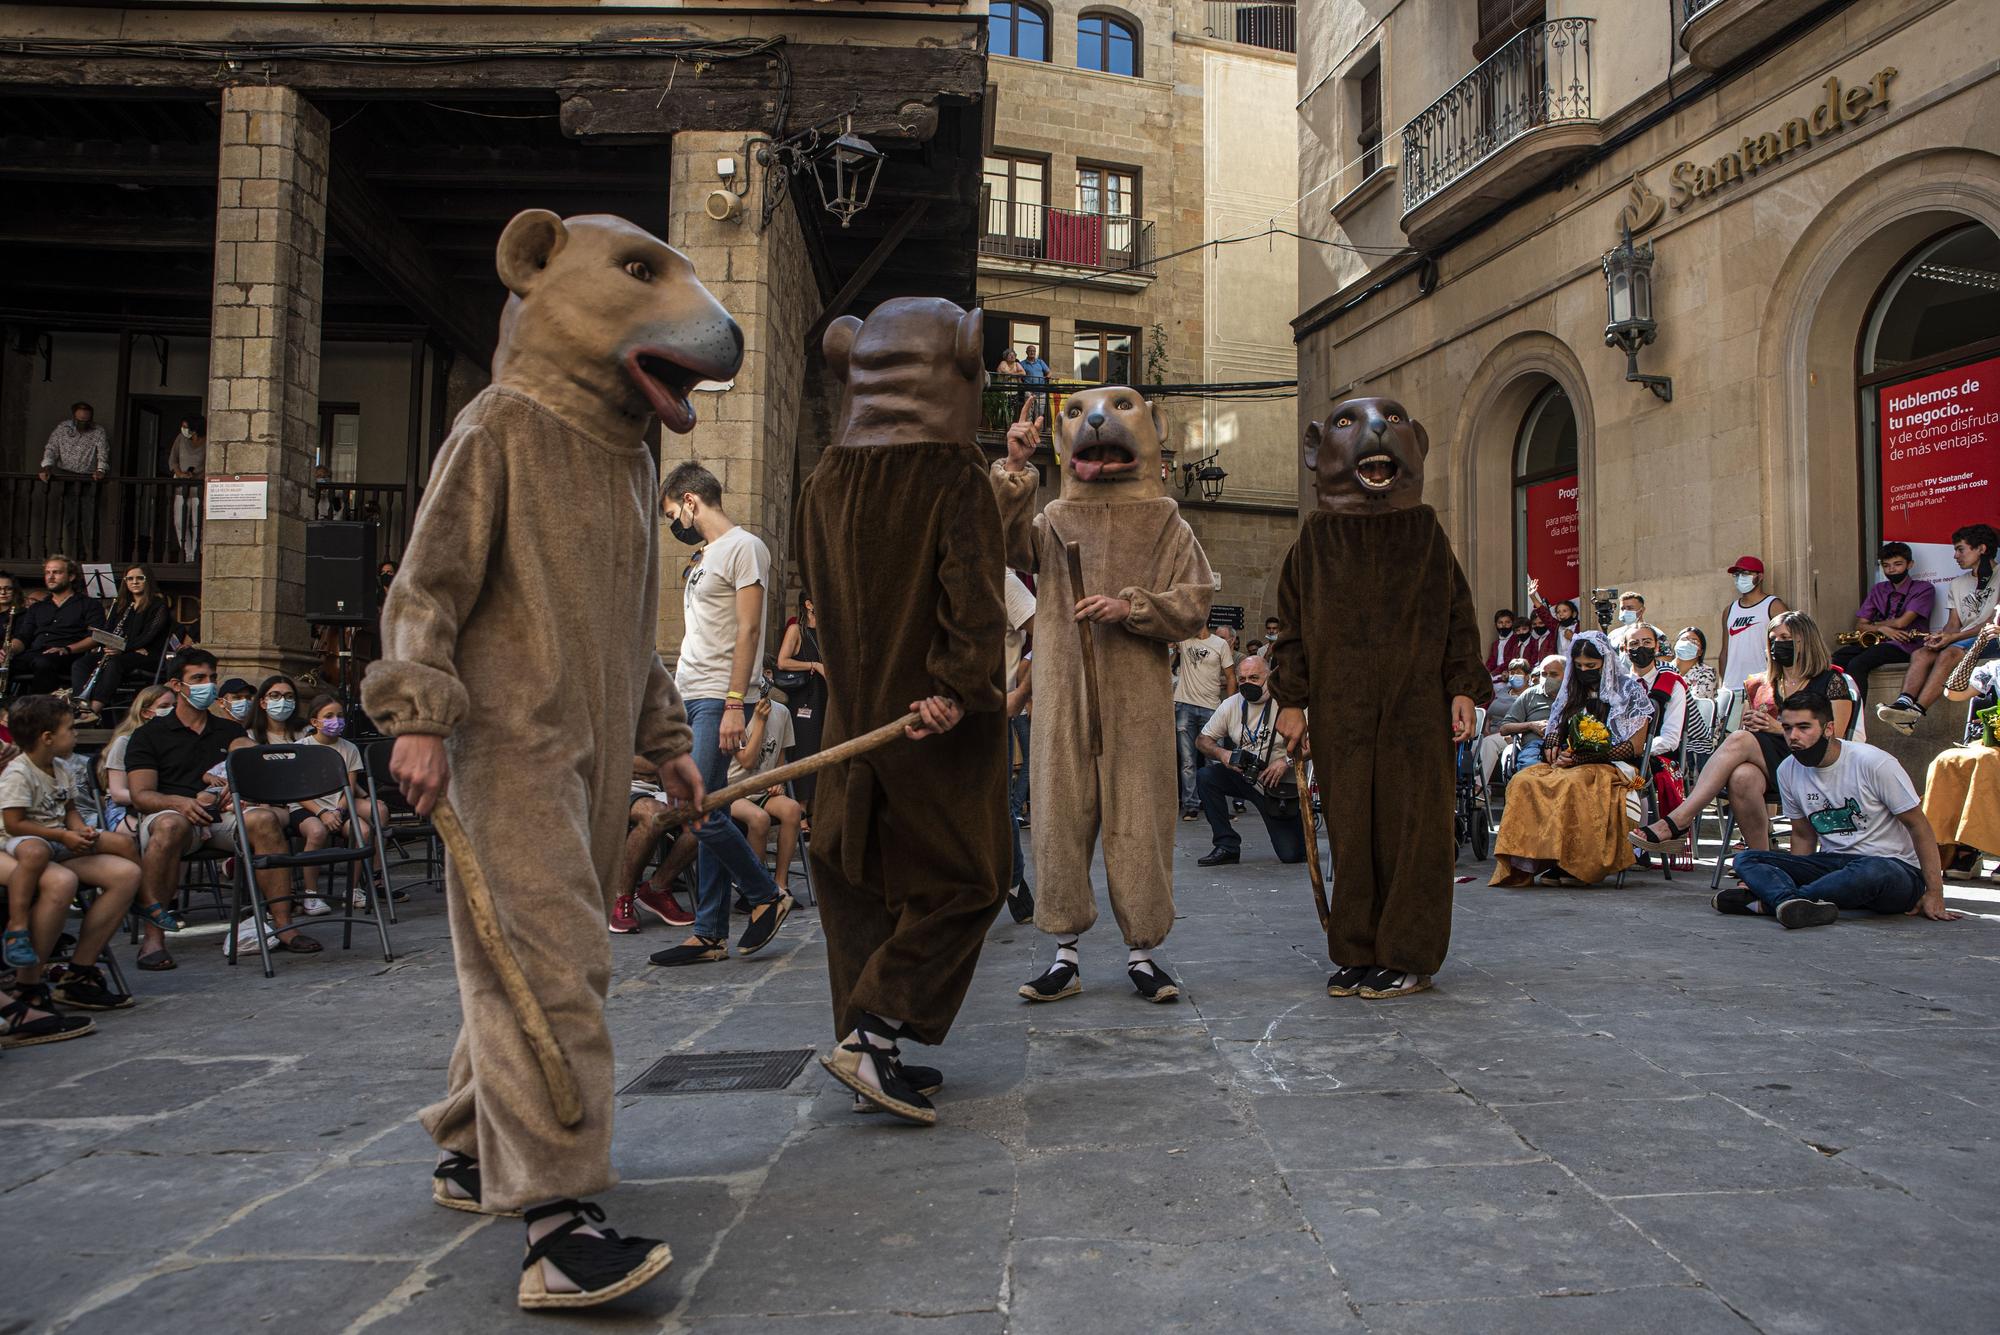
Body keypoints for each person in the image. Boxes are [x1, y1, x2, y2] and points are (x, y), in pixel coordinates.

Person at [801, 297, 1014, 1123]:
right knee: (969, 878)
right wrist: (960, 688)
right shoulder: (953, 475)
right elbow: (973, 602)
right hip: (931, 725)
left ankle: (866, 1038)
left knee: (859, 877)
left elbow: (818, 595)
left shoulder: (823, 480)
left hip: (852, 721)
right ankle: (876, 1038)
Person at [1272, 397, 1487, 1000]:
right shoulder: (1314, 541)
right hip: (1341, 714)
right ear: (1319, 455)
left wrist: (1463, 687)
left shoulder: (1425, 534)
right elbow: (1289, 626)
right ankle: (1359, 948)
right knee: (1351, 830)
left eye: (1392, 424)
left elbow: (1457, 616)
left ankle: (1409, 954)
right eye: (1350, 425)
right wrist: (1292, 700)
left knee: (1415, 832)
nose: (1374, 433)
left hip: (1417, 711)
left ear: (1414, 445)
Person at [651, 461, 791, 967]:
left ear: (691, 501)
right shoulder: (704, 556)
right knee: (706, 809)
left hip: (718, 697)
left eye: (673, 512)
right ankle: (709, 932)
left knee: (699, 809)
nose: (674, 524)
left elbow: (750, 631)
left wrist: (737, 702)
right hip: (689, 695)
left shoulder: (745, 548)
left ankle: (766, 895)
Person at [128, 650, 317, 969]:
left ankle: (283, 924)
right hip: (173, 815)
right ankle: (154, 938)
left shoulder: (227, 730)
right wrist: (180, 802)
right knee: (169, 827)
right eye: (198, 679)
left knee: (264, 819)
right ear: (176, 685)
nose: (208, 685)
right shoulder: (149, 735)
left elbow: (246, 752)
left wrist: (240, 771)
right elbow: (141, 794)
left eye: (212, 678)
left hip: (221, 817)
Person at [1720, 692, 1957, 928]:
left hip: (1893, 869)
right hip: (1832, 865)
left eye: (1804, 727)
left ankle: (1773, 901)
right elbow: (1802, 835)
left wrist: (1935, 892)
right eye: (1787, 728)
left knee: (1874, 869)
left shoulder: (1874, 763)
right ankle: (1790, 903)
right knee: (1747, 858)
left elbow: (1919, 826)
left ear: (1829, 728)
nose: (1794, 736)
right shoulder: (1787, 770)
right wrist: (1795, 871)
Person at [1632, 611, 1853, 857]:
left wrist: (1778, 728)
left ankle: (1677, 821)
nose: (1777, 643)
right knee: (1742, 776)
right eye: (1772, 638)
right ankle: (1760, 859)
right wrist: (1752, 724)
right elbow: (1746, 734)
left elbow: (1836, 739)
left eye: (1785, 637)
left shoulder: (1831, 680)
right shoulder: (1762, 683)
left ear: (1805, 639)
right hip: (1774, 764)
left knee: (1739, 740)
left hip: (1814, 762)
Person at [2, 694, 142, 1012]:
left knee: (126, 873)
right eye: (71, 729)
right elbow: (15, 823)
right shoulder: (20, 770)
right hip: (17, 843)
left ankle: (79, 974)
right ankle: (28, 985)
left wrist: (78, 831)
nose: (76, 734)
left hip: (51, 839)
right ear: (47, 737)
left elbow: (69, 809)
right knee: (61, 881)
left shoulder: (61, 767)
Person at [1490, 632, 1651, 888]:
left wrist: (1585, 756)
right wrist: (1554, 744)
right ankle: (1536, 860)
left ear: (1605, 662)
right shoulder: (1572, 689)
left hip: (1611, 764)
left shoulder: (1629, 690)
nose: (1584, 671)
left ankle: (1574, 863)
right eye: (1578, 666)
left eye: (1591, 666)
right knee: (1524, 780)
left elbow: (1634, 746)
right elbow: (1556, 728)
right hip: (1569, 762)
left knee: (1573, 783)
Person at [1878, 524, 2000, 735]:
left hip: (1991, 638)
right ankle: (1902, 704)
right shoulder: (1957, 583)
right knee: (1922, 652)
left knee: (1950, 652)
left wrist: (1953, 638)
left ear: (1981, 548)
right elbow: (1953, 623)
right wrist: (1942, 636)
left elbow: (1993, 622)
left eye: (1960, 549)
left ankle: (1914, 713)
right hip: (1965, 637)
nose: (1955, 555)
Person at [1192, 656, 1304, 866]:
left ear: (1269, 677)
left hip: (1278, 786)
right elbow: (1202, 740)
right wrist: (1222, 754)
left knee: (1292, 855)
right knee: (1207, 776)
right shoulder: (1231, 704)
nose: (1247, 683)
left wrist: (1286, 761)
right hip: (1245, 775)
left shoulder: (1288, 704)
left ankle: (1298, 827)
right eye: (1242, 679)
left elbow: (1316, 742)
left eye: (1254, 677)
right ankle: (1226, 845)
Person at [726, 694, 805, 904]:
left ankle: (780, 885)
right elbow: (748, 761)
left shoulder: (782, 712)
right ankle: (757, 889)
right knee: (759, 818)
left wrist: (778, 780)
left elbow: (780, 758)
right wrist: (759, 721)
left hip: (762, 790)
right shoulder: (736, 713)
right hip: (732, 790)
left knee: (792, 809)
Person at [1834, 542, 1935, 698]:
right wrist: (1881, 629)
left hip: (1905, 645)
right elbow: (1860, 625)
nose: (1892, 570)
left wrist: (1874, 625)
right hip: (1879, 641)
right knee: (1837, 659)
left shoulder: (1923, 588)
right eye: (1886, 566)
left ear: (1910, 564)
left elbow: (1902, 622)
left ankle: (1856, 715)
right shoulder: (1878, 589)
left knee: (1858, 664)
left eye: (1897, 564)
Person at [77, 565, 173, 724]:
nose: (134, 582)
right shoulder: (121, 604)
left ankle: (95, 708)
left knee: (115, 663)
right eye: (130, 579)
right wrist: (103, 638)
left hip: (147, 654)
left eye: (139, 578)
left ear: (147, 581)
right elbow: (109, 631)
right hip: (122, 651)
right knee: (82, 663)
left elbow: (148, 636)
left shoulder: (158, 605)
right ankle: (82, 703)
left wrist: (123, 648)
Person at [6, 556, 106, 698]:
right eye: (48, 572)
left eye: (57, 572)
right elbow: (24, 636)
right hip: (34, 653)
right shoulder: (37, 607)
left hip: (67, 655)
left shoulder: (89, 605)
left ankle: (40, 710)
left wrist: (67, 649)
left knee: (43, 663)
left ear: (71, 576)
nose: (50, 577)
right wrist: (9, 650)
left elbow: (96, 637)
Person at [1172, 623, 1236, 819]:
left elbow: (1231, 676)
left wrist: (1229, 706)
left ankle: (1213, 804)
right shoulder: (1183, 639)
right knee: (1187, 760)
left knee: (1214, 759)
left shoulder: (1220, 644)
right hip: (1184, 705)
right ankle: (1191, 804)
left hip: (1211, 708)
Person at [1001, 570, 1036, 921]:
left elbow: (1051, 635)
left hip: (989, 717)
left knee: (998, 807)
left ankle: (1012, 882)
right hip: (940, 716)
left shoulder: (1004, 581)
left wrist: (1021, 693)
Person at [774, 594, 827, 808]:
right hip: (805, 699)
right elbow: (782, 662)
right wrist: (814, 665)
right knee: (806, 749)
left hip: (824, 697)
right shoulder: (796, 630)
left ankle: (816, 809)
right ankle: (802, 811)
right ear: (808, 604)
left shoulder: (826, 632)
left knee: (822, 749)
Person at [1479, 654, 1563, 786]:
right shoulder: (1530, 694)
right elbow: (1505, 728)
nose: (1547, 679)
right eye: (1543, 674)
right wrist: (1531, 725)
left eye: (1553, 674)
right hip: (1533, 747)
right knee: (1529, 776)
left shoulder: (1574, 696)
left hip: (1564, 747)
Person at [99, 685, 172, 833]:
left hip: (163, 805)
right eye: (164, 706)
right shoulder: (124, 742)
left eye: (174, 706)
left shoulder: (175, 742)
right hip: (124, 810)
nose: (171, 711)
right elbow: (118, 794)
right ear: (145, 712)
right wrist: (165, 799)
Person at [1717, 556, 1786, 693]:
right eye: (1736, 574)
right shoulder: (1729, 610)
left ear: (1760, 577)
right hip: (1732, 686)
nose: (1739, 578)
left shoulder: (1773, 605)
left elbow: (1787, 643)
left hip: (1763, 685)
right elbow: (1725, 651)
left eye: (1745, 573)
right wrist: (1724, 683)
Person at [168, 414, 206, 561]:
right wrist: (180, 474)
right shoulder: (181, 439)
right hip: (181, 486)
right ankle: (188, 553)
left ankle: (197, 553)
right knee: (180, 522)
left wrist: (197, 475)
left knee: (197, 523)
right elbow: (173, 460)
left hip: (198, 488)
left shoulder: (207, 442)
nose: (184, 429)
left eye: (186, 426)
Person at [1521, 577, 1578, 662]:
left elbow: (1586, 643)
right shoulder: (1556, 627)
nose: (1561, 614)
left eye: (1565, 611)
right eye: (1558, 612)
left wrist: (1574, 637)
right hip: (1560, 665)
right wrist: (1532, 596)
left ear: (1574, 613)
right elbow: (1544, 615)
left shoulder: (1579, 626)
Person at [1482, 608, 1532, 695]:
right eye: (1500, 623)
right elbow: (1491, 661)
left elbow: (1511, 660)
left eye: (1507, 622)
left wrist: (1494, 674)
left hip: (1509, 674)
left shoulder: (1516, 640)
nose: (1504, 625)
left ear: (1513, 624)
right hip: (1496, 675)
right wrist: (1486, 672)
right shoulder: (1495, 643)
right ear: (1496, 625)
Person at [1673, 626, 1719, 701]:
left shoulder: (1707, 674)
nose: (1687, 643)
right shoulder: (1664, 669)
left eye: (1694, 640)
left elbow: (1696, 704)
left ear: (1700, 652)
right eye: (1684, 639)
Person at [1021, 343, 1051, 419]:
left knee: (1040, 414)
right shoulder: (1022, 363)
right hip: (1029, 391)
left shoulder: (1040, 362)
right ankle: (1029, 430)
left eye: (1034, 351)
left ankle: (1038, 430)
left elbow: (1049, 372)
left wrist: (1048, 376)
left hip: (1041, 390)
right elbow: (1019, 374)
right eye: (1030, 351)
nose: (1032, 352)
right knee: (1028, 413)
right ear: (1026, 352)